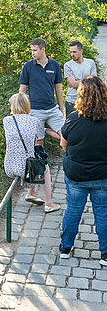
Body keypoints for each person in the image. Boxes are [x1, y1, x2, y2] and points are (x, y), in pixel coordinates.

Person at [60, 75, 107, 265]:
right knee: (103, 213)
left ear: (81, 94)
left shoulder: (73, 119)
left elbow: (64, 145)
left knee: (73, 210)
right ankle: (105, 253)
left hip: (76, 174)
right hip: (102, 175)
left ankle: (66, 248)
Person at [3, 92, 60, 213]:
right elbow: (37, 143)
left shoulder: (6, 120)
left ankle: (31, 192)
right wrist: (46, 130)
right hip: (25, 168)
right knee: (44, 166)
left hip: (9, 165)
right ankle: (49, 203)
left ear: (14, 106)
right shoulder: (35, 121)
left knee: (32, 157)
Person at [19, 38, 65, 146]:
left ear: (43, 49)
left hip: (52, 109)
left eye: (35, 50)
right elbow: (22, 89)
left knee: (66, 135)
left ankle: (44, 130)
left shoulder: (55, 65)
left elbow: (58, 88)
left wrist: (61, 108)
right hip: (35, 110)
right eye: (31, 50)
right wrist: (22, 109)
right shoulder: (28, 66)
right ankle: (42, 163)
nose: (32, 53)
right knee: (38, 142)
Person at [64, 40, 97, 117]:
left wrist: (77, 82)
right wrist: (89, 80)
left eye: (74, 52)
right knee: (71, 126)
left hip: (88, 99)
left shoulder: (90, 63)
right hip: (72, 100)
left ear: (81, 51)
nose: (72, 54)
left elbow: (95, 82)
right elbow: (73, 84)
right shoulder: (68, 65)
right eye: (71, 52)